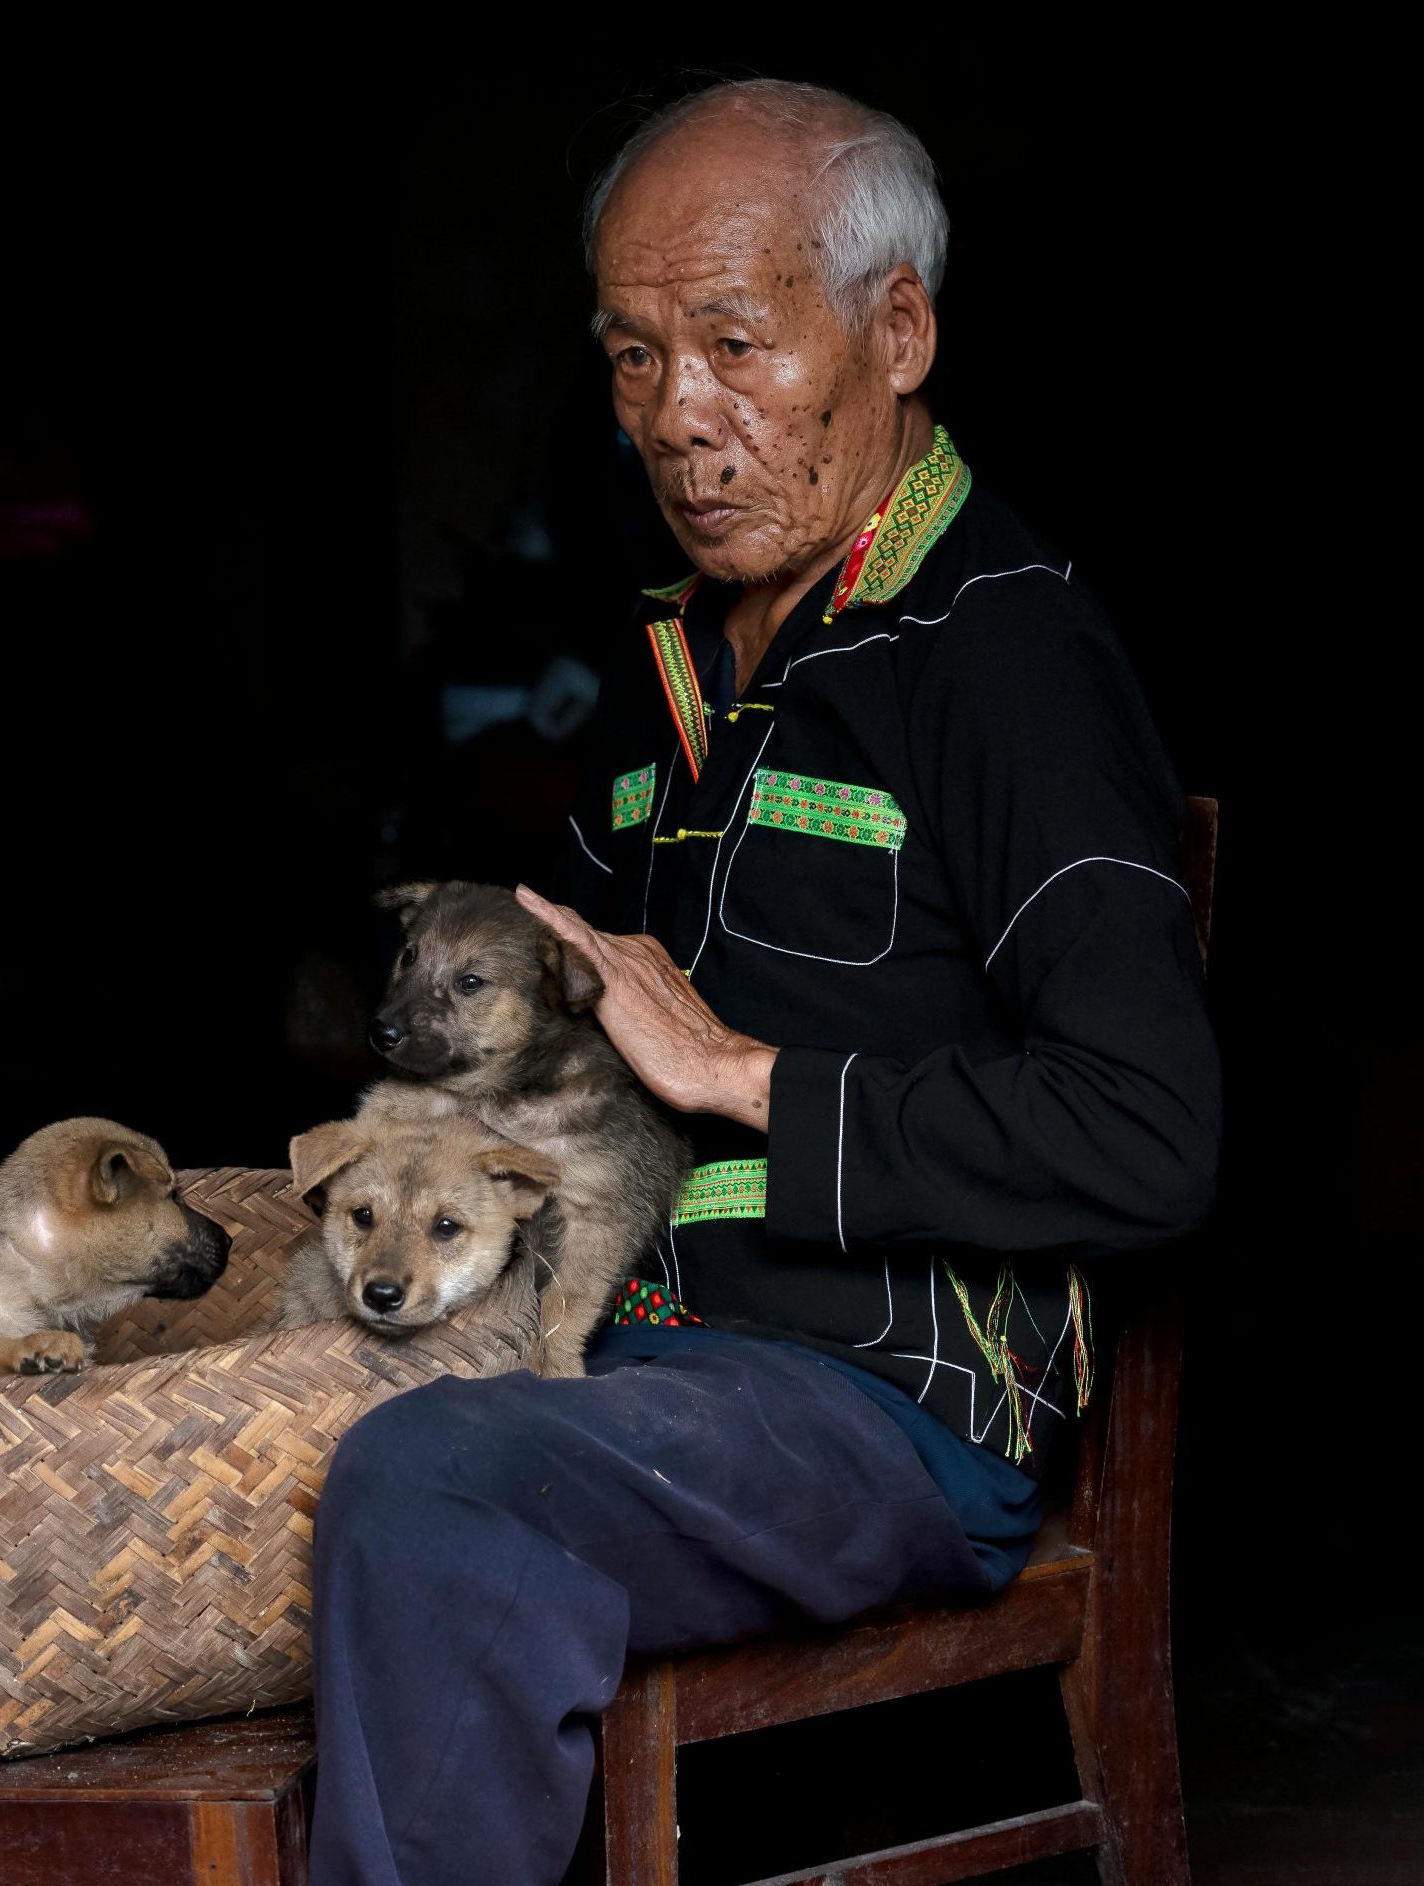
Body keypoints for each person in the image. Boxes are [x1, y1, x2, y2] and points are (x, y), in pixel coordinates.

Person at [306, 79, 1220, 1886]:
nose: (676, 414)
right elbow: (549, 1044)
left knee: (434, 1483)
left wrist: (742, 1075)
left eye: (733, 344)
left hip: (873, 1395)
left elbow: (1150, 1131)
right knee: (281, 1390)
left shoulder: (1006, 661)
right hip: (641, 1343)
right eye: (633, 357)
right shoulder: (676, 661)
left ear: (899, 333)